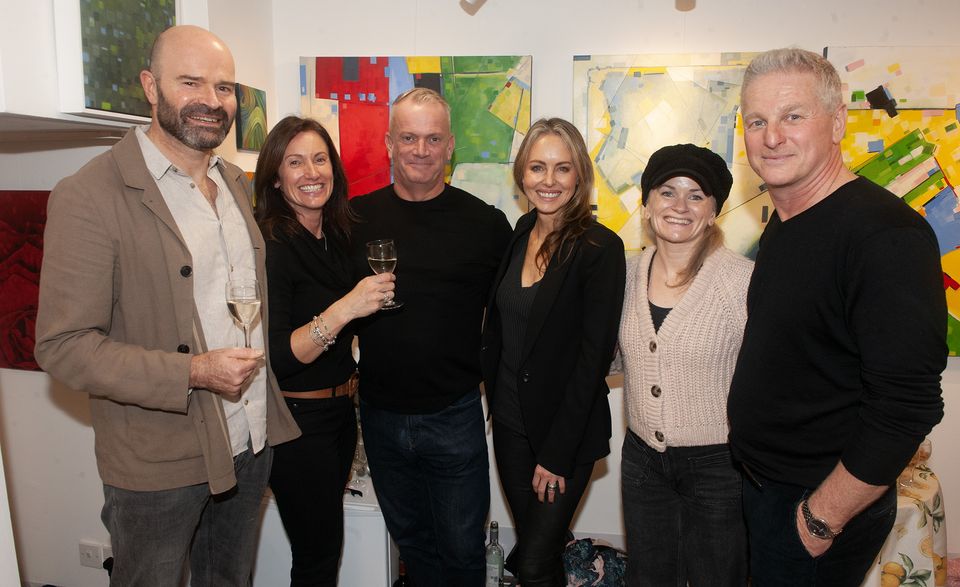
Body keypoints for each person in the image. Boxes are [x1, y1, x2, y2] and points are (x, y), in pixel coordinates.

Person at [33, 25, 301, 586]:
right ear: (151, 87)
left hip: (249, 442)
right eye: (191, 82)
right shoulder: (89, 194)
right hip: (157, 463)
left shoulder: (233, 183)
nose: (212, 99)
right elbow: (63, 346)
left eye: (225, 87)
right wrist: (194, 372)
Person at [727, 48, 947, 585]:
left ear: (838, 123)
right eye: (757, 121)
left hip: (815, 507)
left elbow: (905, 407)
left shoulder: (884, 236)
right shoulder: (786, 222)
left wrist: (818, 521)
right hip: (765, 488)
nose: (771, 136)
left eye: (792, 116)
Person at [349, 87, 513, 587]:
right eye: (409, 137)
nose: (421, 149)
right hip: (380, 416)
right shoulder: (354, 219)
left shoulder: (486, 224)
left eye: (432, 138)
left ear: (450, 146)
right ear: (389, 143)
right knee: (415, 550)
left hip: (454, 416)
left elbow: (511, 318)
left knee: (463, 553)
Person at [480, 118, 625, 586]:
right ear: (522, 173)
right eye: (538, 167)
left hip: (563, 434)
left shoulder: (600, 248)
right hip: (509, 424)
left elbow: (592, 359)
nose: (549, 181)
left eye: (562, 169)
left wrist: (558, 455)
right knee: (535, 550)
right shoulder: (521, 232)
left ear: (579, 176)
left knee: (536, 560)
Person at [254, 116, 395, 586]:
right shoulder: (272, 245)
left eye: (319, 159)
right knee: (318, 556)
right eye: (295, 162)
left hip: (337, 416)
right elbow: (280, 356)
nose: (311, 172)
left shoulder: (334, 235)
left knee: (321, 552)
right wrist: (346, 307)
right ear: (276, 176)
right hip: (297, 425)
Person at [617, 144, 751, 585]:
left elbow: (771, 379)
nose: (679, 206)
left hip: (718, 467)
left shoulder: (742, 283)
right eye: (667, 191)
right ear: (647, 202)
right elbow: (607, 354)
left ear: (714, 211)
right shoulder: (624, 276)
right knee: (649, 577)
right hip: (642, 463)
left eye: (695, 195)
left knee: (719, 578)